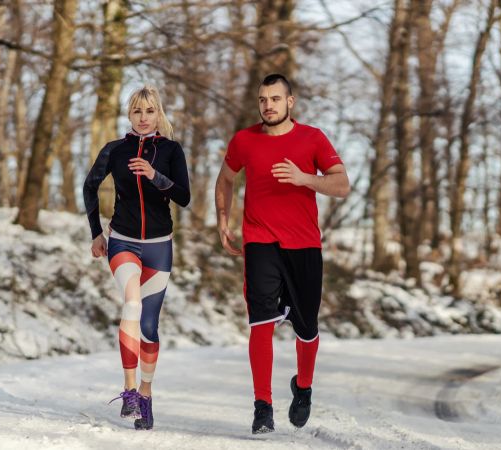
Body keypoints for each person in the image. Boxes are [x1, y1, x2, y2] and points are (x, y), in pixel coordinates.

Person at [214, 74, 350, 434]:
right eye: (262, 100)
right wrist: (223, 220)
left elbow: (341, 184)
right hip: (260, 241)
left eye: (275, 99)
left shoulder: (313, 138)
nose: (268, 105)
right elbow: (225, 177)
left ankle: (303, 387)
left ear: (290, 102)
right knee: (260, 320)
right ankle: (263, 407)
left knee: (306, 329)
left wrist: (306, 178)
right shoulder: (244, 140)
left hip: (304, 244)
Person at [83, 85, 190, 431]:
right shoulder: (116, 150)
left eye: (149, 111)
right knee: (131, 302)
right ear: (129, 115)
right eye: (136, 112)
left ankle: (145, 392)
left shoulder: (171, 150)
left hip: (159, 245)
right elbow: (90, 186)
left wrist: (156, 176)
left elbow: (185, 197)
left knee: (148, 326)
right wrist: (96, 233)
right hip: (123, 240)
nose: (143, 118)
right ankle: (129, 391)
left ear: (159, 114)